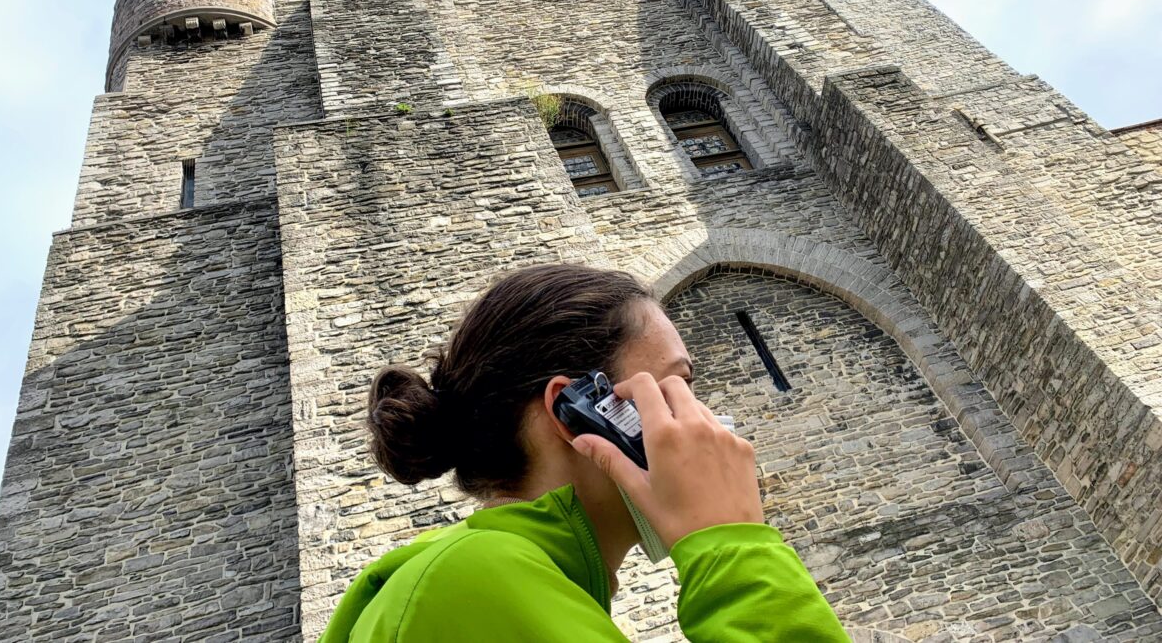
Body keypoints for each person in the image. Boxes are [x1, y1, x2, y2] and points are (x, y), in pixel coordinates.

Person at [319, 263, 849, 642]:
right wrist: (733, 548)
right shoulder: (473, 581)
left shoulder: (519, 580)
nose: (706, 424)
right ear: (575, 410)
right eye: (676, 387)